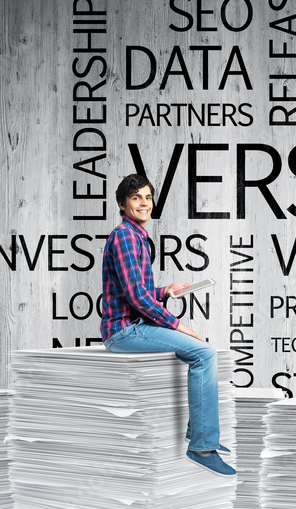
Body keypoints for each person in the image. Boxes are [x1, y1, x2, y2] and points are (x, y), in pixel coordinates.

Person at [100, 173, 235, 477]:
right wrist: (177, 325)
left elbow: (135, 289)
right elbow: (135, 297)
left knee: (202, 352)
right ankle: (202, 445)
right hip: (124, 330)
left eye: (147, 197)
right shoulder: (125, 236)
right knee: (204, 353)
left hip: (133, 324)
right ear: (123, 204)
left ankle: (201, 432)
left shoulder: (135, 236)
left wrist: (165, 291)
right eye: (136, 198)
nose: (143, 203)